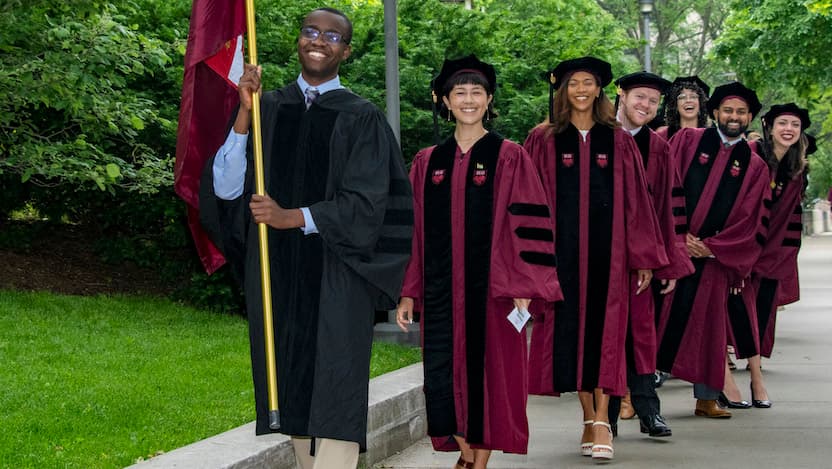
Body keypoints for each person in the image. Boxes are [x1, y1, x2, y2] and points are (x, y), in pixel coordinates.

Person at [198, 8, 413, 469]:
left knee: (336, 388)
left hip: (339, 275)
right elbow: (226, 189)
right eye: (311, 32)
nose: (320, 41)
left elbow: (370, 205)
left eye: (332, 36)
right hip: (277, 272)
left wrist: (292, 216)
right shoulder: (267, 108)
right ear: (299, 41)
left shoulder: (363, 118)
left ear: (346, 51)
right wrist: (242, 112)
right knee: (289, 387)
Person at [396, 55, 561, 469]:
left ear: (489, 101)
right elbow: (413, 232)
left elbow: (528, 224)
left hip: (494, 292)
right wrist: (408, 291)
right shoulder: (427, 162)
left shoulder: (510, 155)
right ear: (445, 101)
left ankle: (477, 461)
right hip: (440, 294)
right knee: (443, 374)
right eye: (459, 93)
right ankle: (467, 454)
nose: (468, 100)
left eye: (476, 93)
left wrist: (525, 284)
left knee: (491, 378)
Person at [524, 57, 668, 461]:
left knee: (606, 340)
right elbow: (528, 201)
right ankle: (589, 417)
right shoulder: (543, 138)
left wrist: (643, 258)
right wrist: (533, 263)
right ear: (563, 90)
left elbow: (638, 204)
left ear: (600, 89)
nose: (582, 90)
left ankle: (603, 419)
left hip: (611, 261)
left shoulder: (618, 140)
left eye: (589, 83)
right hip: (561, 261)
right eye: (574, 83)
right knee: (573, 341)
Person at [655, 81, 770, 419]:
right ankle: (641, 399)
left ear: (749, 118)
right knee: (658, 322)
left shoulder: (755, 166)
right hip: (675, 252)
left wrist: (711, 248)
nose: (734, 117)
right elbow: (664, 187)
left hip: (714, 260)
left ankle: (706, 399)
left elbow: (753, 220)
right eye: (728, 110)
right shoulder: (687, 141)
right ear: (716, 113)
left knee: (709, 329)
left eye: (741, 112)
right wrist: (680, 238)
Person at [606, 72, 694, 438]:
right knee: (606, 337)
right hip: (605, 256)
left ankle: (648, 410)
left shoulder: (659, 148)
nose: (645, 105)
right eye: (639, 97)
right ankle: (605, 418)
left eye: (653, 101)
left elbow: (668, 209)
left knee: (642, 335)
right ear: (621, 96)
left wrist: (669, 261)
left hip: (642, 261)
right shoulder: (599, 139)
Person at [724, 103, 811, 409]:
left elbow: (788, 219)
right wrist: (741, 258)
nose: (788, 129)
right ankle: (746, 380)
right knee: (737, 313)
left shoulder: (797, 168)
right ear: (769, 127)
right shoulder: (751, 155)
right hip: (742, 248)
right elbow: (739, 208)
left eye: (795, 125)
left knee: (760, 315)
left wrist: (776, 258)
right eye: (782, 123)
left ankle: (756, 379)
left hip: (772, 254)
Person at [655, 76, 710, 141]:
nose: (688, 100)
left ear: (700, 104)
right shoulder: (663, 135)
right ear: (675, 105)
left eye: (693, 96)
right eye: (682, 97)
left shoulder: (711, 136)